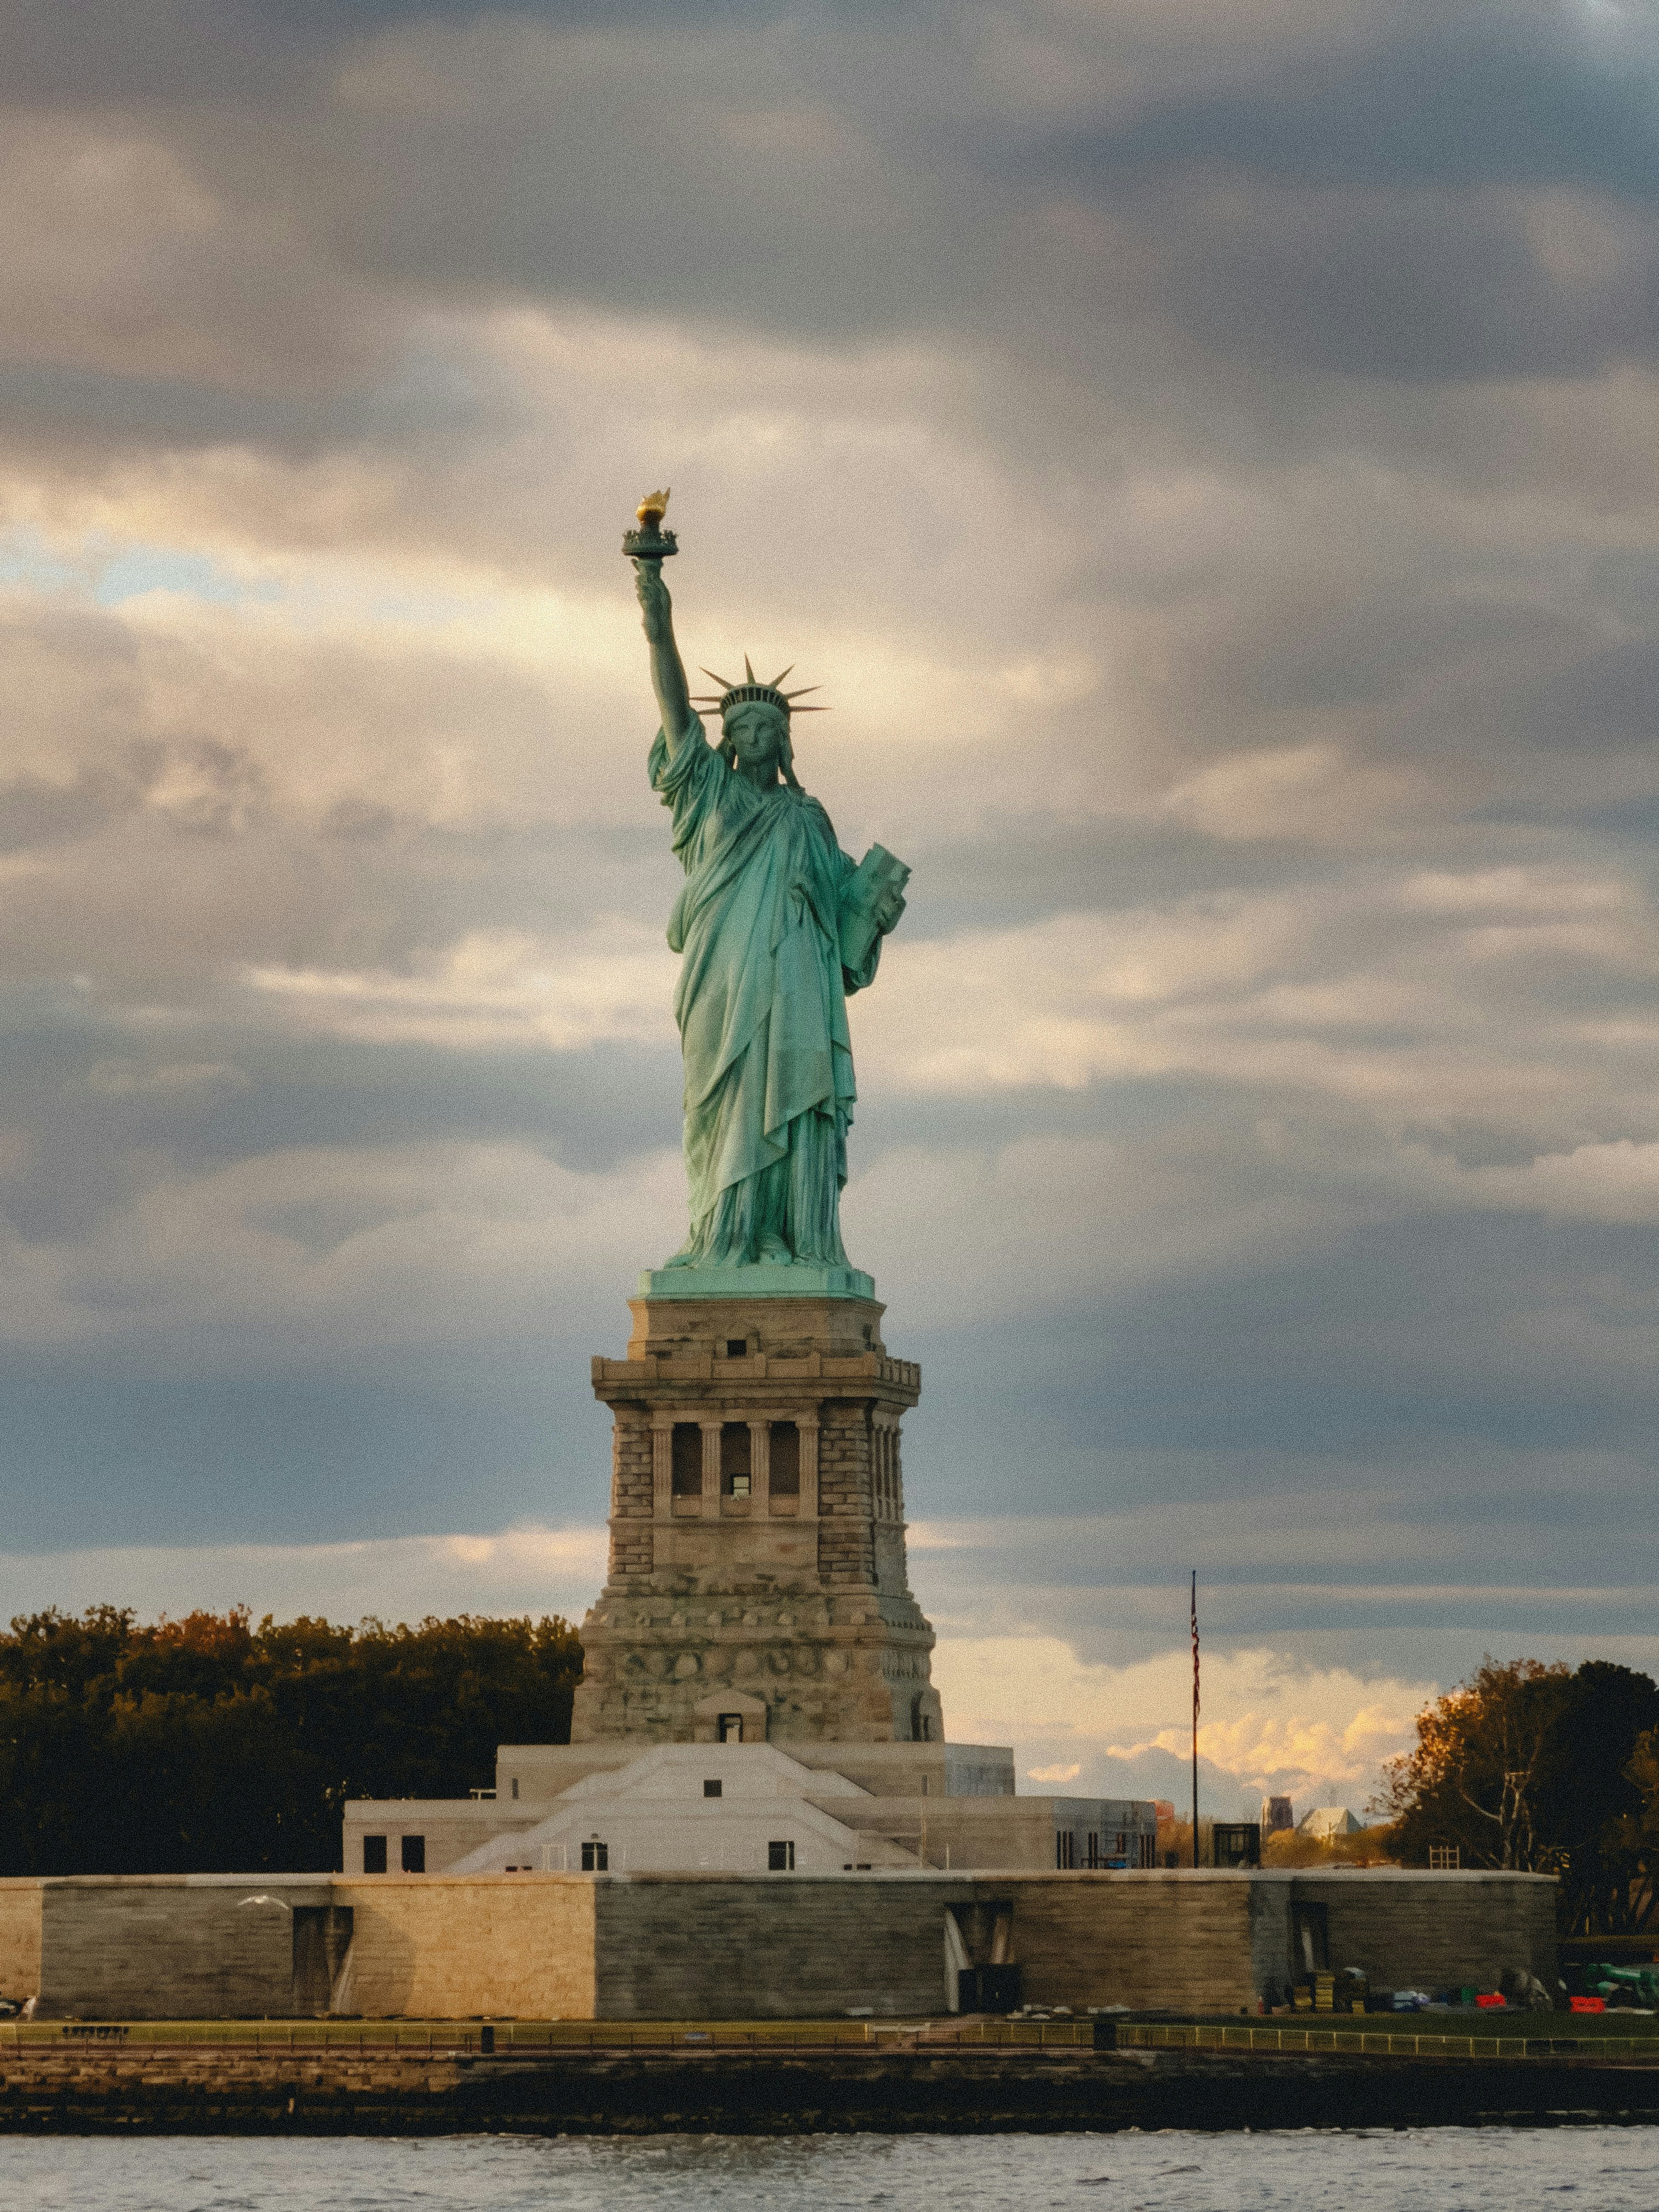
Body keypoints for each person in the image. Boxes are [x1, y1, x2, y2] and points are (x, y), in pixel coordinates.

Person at [633, 556, 906, 1271]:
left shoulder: (806, 817)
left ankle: (787, 1235)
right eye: (741, 724)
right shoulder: (707, 797)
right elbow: (672, 702)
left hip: (797, 989)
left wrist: (875, 907)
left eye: (765, 725)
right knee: (723, 1105)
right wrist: (657, 617)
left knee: (792, 1094)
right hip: (725, 980)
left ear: (784, 740)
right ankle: (724, 1238)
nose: (753, 734)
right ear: (724, 738)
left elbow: (844, 918)